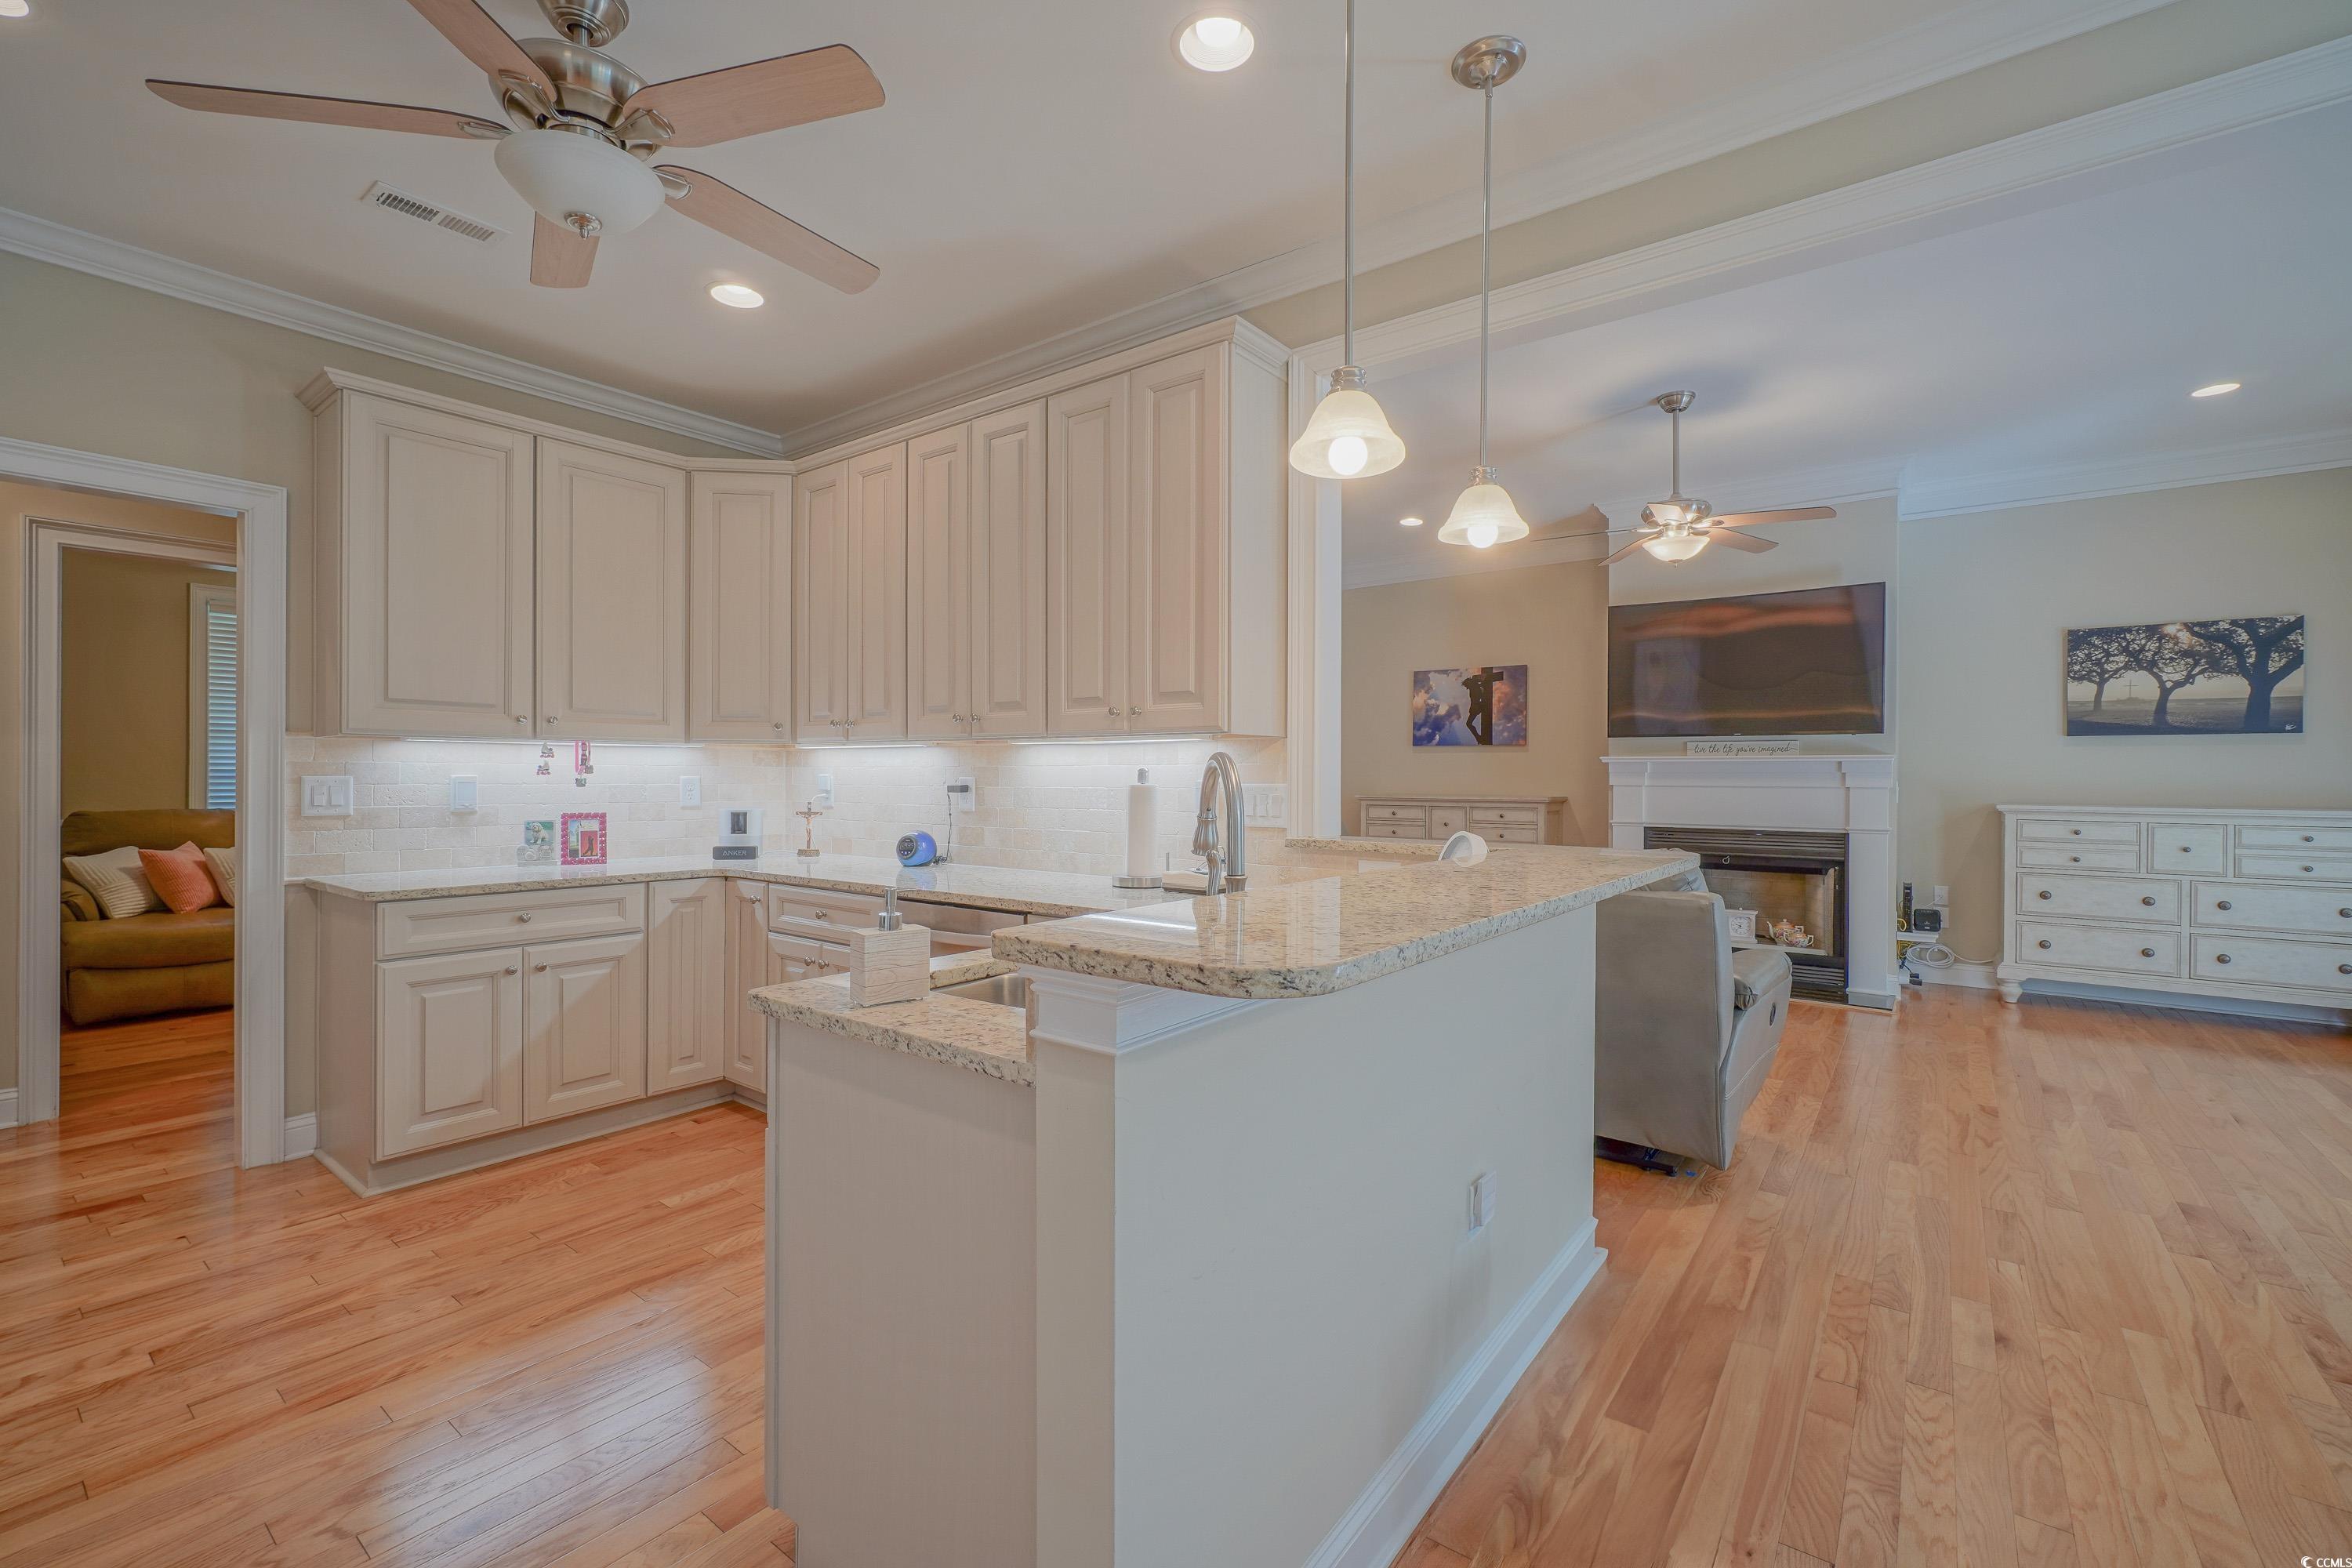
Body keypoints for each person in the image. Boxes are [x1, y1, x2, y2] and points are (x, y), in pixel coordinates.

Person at [1462, 666, 1497, 746]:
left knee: (1468, 724)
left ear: (1468, 683)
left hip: (1477, 707)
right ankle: (1478, 738)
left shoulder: (1474, 687)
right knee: (1469, 724)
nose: (1466, 688)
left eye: (1466, 686)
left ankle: (1478, 738)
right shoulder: (1475, 686)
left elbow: (1477, 697)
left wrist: (1475, 706)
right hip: (1477, 706)